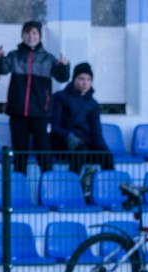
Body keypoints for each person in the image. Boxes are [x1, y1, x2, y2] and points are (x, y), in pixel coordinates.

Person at [0, 20, 69, 174]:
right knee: (20, 155)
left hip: (41, 114)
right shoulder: (14, 56)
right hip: (18, 113)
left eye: (34, 33)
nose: (31, 36)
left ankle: (49, 191)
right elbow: (2, 70)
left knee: (44, 154)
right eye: (27, 32)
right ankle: (19, 190)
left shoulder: (48, 59)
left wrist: (65, 65)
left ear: (40, 36)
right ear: (22, 35)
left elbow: (62, 77)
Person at [51, 61, 114, 193]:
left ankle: (109, 190)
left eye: (88, 79)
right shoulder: (60, 97)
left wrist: (103, 148)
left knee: (106, 156)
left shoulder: (93, 104)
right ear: (74, 79)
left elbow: (96, 133)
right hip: (63, 143)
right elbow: (54, 126)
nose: (85, 83)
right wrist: (68, 135)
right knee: (80, 150)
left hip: (85, 144)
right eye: (81, 78)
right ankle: (69, 190)